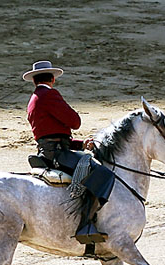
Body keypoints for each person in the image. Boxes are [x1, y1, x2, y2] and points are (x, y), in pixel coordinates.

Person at [23, 60, 111, 245]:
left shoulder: (34, 98)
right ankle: (86, 225)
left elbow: (50, 134)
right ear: (53, 79)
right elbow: (74, 122)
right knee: (102, 174)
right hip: (59, 155)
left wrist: (80, 145)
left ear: (34, 81)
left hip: (48, 152)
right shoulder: (50, 95)